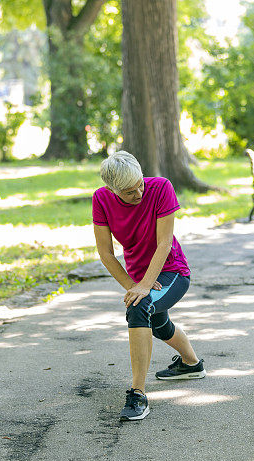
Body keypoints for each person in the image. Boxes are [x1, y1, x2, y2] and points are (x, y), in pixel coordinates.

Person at [92, 151, 205, 421]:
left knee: (140, 307)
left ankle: (137, 393)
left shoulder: (161, 188)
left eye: (140, 183)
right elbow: (106, 253)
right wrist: (134, 284)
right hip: (140, 276)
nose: (139, 193)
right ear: (112, 189)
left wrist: (142, 288)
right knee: (157, 323)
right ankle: (192, 364)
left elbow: (164, 243)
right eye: (130, 192)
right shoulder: (101, 199)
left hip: (171, 271)